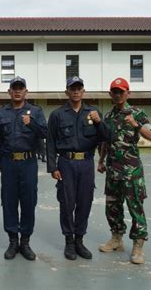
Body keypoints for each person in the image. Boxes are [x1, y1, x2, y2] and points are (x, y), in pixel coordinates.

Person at [46, 76, 110, 261]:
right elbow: (50, 142)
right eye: (72, 88)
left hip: (86, 163)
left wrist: (99, 122)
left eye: (78, 88)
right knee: (67, 203)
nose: (75, 91)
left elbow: (107, 136)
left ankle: (80, 240)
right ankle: (69, 242)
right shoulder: (58, 115)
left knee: (85, 202)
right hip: (66, 163)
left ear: (83, 91)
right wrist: (52, 167)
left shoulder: (93, 112)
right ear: (66, 91)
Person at [97, 77, 151, 265]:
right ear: (110, 94)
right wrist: (101, 160)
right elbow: (105, 141)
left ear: (127, 93)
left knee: (135, 207)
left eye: (121, 91)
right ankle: (116, 239)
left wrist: (136, 125)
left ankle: (138, 246)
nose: (118, 94)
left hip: (132, 172)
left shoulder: (138, 113)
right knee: (112, 206)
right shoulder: (108, 117)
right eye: (115, 91)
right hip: (113, 170)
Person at [0, 76, 48, 261]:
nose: (17, 91)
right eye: (14, 88)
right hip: (9, 163)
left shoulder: (35, 111)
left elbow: (45, 133)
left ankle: (25, 242)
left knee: (28, 201)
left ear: (26, 91)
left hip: (28, 162)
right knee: (8, 201)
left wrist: (31, 122)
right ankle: (12, 241)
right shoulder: (1, 113)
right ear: (9, 91)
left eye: (21, 88)